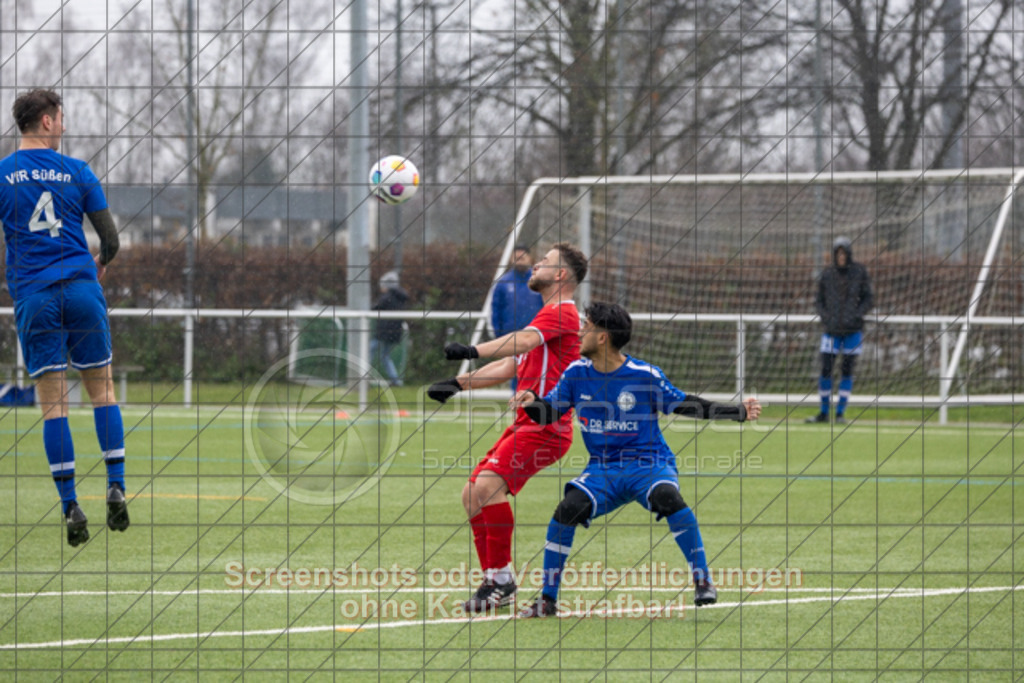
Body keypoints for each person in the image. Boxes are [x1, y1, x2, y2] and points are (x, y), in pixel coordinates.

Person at [513, 302, 761, 618]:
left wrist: (736, 412)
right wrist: (532, 401)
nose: (580, 332)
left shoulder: (644, 375)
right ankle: (547, 600)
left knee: (666, 497)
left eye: (586, 326)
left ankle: (702, 580)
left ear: (602, 337)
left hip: (649, 463)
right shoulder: (576, 373)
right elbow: (550, 413)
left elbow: (684, 404)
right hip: (603, 469)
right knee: (567, 509)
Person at [427, 242, 588, 612]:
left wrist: (472, 351)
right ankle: (495, 579)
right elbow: (513, 365)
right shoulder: (547, 317)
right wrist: (458, 384)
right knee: (472, 495)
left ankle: (501, 582)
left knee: (486, 487)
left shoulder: (562, 313)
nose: (535, 266)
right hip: (525, 424)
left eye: (544, 263)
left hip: (548, 427)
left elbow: (522, 341)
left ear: (560, 275)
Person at [0, 89, 129, 547]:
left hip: (35, 296)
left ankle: (70, 505)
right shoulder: (77, 171)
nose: (65, 126)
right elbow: (110, 240)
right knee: (103, 390)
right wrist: (101, 265)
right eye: (62, 118)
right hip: (81, 289)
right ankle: (116, 483)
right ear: (48, 122)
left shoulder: (2, 174)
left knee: (54, 404)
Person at [806, 237, 873, 425]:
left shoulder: (860, 272)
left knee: (847, 370)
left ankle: (840, 413)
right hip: (831, 332)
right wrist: (826, 318)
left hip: (853, 332)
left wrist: (857, 315)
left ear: (849, 254)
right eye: (838, 253)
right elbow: (819, 300)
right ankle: (823, 412)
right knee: (826, 369)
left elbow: (869, 298)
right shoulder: (827, 275)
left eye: (844, 253)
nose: (841, 257)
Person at [490, 244, 544, 339]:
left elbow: (547, 305)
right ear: (511, 259)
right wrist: (498, 334)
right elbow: (496, 309)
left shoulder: (539, 280)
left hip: (535, 337)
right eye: (516, 258)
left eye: (522, 258)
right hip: (509, 338)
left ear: (529, 258)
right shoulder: (503, 282)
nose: (519, 261)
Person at [370, 270, 408, 386]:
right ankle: (395, 380)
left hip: (384, 332)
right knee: (385, 356)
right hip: (395, 332)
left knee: (369, 350)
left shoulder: (387, 297)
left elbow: (374, 308)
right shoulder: (400, 297)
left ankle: (362, 375)